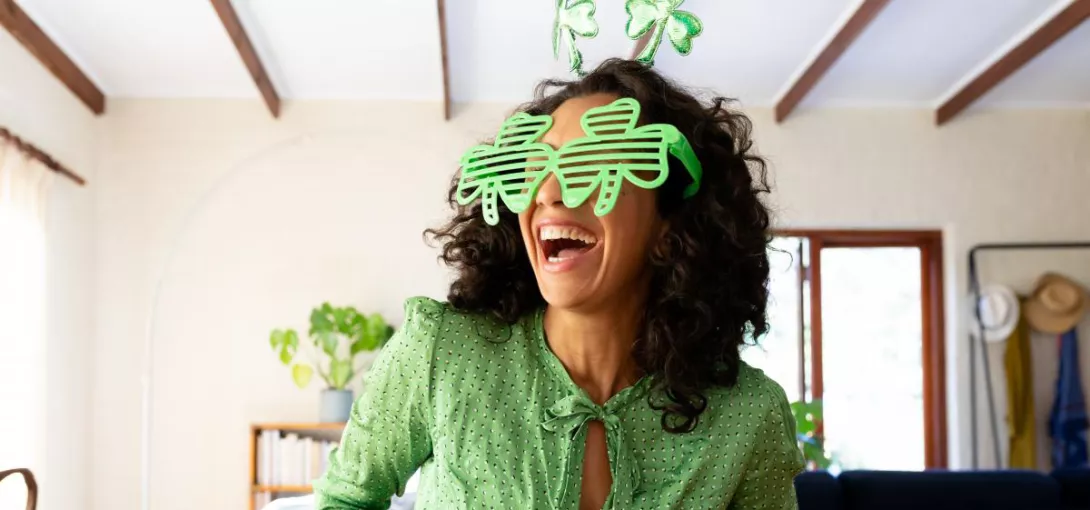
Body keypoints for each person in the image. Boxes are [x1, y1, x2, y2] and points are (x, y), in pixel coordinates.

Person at [314, 58, 804, 510]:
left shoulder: (748, 415)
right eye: (533, 169)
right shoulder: (439, 355)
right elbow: (344, 501)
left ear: (670, 228)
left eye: (592, 165)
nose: (548, 192)